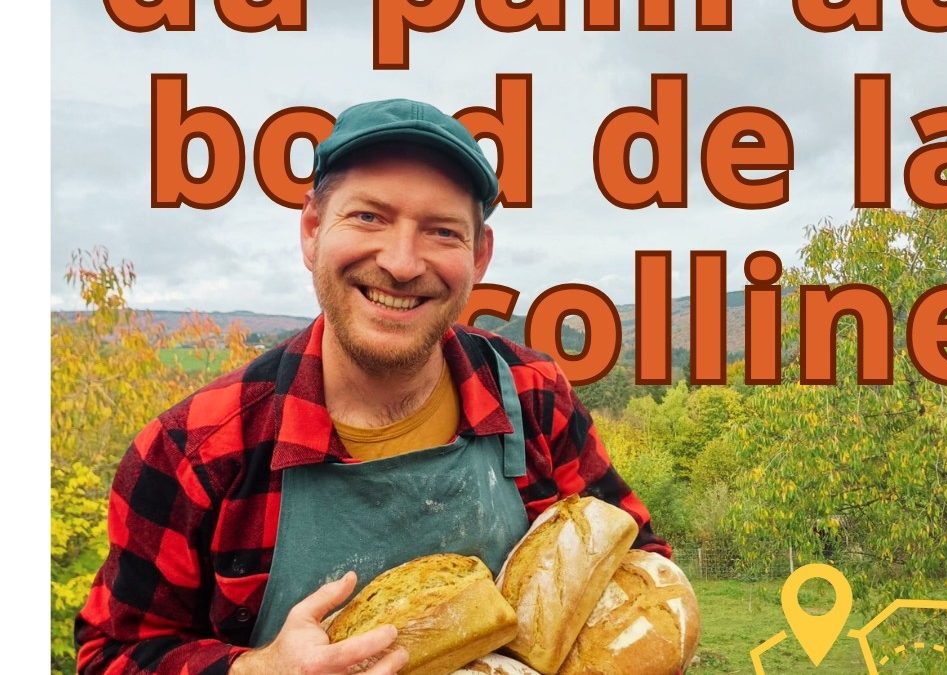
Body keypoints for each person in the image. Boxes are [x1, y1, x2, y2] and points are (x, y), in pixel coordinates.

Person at [74, 99, 670, 674]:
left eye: (442, 232)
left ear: (480, 257)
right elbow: (113, 655)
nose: (403, 263)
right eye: (369, 217)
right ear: (311, 230)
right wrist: (258, 672)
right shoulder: (196, 450)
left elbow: (639, 567)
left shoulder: (533, 395)